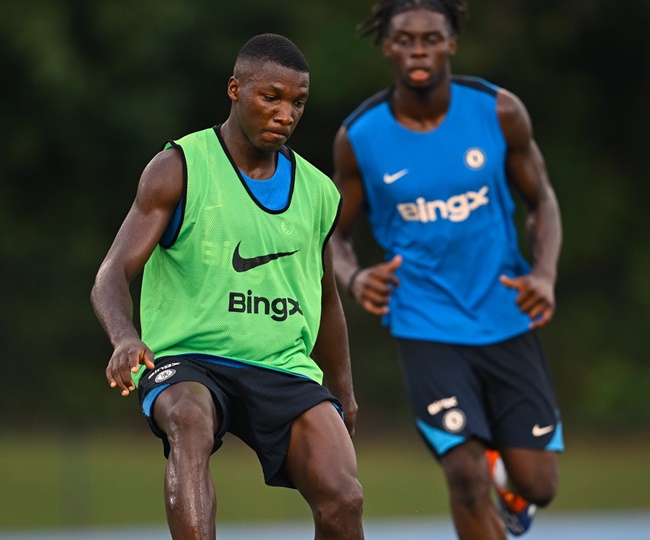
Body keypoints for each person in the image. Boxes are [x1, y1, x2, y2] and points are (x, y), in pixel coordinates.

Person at [91, 33, 364, 540]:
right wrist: (125, 337)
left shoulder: (320, 192)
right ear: (236, 89)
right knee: (190, 421)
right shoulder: (180, 167)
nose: (286, 114)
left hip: (282, 365)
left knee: (343, 498)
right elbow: (111, 273)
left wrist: (342, 390)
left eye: (298, 102)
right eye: (271, 97)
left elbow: (326, 298)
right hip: (189, 359)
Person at [331, 1, 563, 538]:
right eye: (405, 39)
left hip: (504, 313)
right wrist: (356, 277)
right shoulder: (360, 137)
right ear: (387, 46)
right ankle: (478, 474)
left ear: (451, 44)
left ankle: (506, 478)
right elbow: (332, 236)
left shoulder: (499, 112)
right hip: (423, 321)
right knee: (462, 474)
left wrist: (545, 274)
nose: (418, 49)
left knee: (541, 485)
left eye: (430, 38)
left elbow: (542, 201)